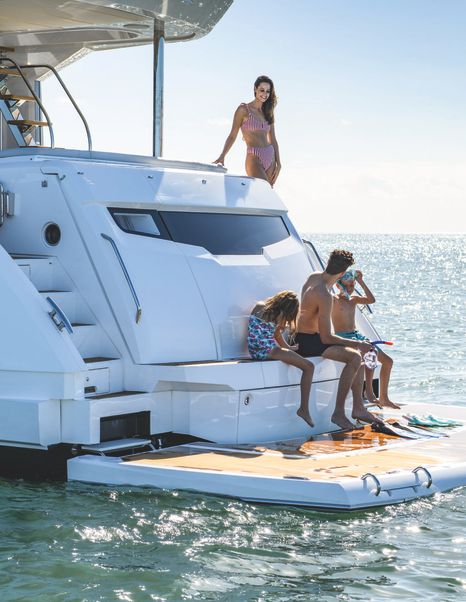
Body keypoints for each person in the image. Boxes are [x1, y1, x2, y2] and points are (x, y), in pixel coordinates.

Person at [296, 249, 383, 431]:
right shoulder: (325, 295)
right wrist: (358, 343)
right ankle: (338, 413)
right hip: (309, 341)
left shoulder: (314, 277)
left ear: (328, 263)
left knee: (356, 356)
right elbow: (326, 338)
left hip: (305, 336)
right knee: (355, 356)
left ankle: (358, 408)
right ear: (343, 273)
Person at [332, 269, 400, 409]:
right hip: (343, 338)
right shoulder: (333, 300)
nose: (350, 289)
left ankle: (382, 397)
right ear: (338, 285)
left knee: (387, 361)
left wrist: (361, 281)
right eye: (347, 286)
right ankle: (368, 393)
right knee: (367, 355)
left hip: (357, 335)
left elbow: (371, 300)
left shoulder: (354, 300)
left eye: (352, 286)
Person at [247, 290, 315, 427]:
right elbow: (277, 335)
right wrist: (288, 349)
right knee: (309, 367)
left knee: (290, 366)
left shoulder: (260, 306)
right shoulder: (280, 315)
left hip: (255, 351)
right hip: (268, 350)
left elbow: (273, 335)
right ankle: (304, 409)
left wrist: (289, 349)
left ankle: (289, 405)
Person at [213, 75, 281, 186]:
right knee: (262, 190)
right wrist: (222, 156)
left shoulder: (269, 111)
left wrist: (279, 164)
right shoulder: (243, 110)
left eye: (268, 91)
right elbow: (232, 136)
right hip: (254, 157)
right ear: (255, 89)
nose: (265, 94)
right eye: (262, 90)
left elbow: (273, 139)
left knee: (267, 195)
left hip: (270, 155)